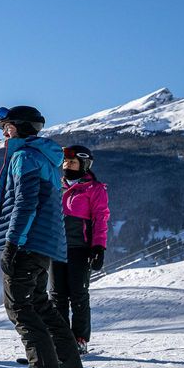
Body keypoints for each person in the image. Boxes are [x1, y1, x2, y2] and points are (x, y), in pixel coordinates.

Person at [0, 105, 84, 368]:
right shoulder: (47, 158)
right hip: (45, 244)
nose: (4, 131)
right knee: (41, 305)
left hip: (28, 242)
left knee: (19, 305)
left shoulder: (24, 157)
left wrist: (12, 244)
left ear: (20, 126)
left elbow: (25, 203)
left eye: (7, 126)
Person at [50, 145, 109, 355]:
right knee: (57, 296)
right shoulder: (57, 185)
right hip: (56, 248)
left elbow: (101, 219)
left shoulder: (94, 189)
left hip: (79, 249)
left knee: (78, 295)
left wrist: (98, 247)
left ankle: (80, 339)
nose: (67, 165)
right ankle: (61, 339)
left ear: (84, 164)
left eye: (73, 162)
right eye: (65, 162)